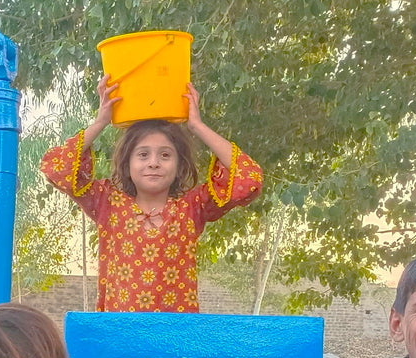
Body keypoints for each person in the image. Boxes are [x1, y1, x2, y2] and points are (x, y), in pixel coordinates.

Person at [40, 76, 263, 313]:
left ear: (179, 166)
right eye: (143, 155)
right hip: (120, 337)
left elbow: (249, 179)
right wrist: (101, 121)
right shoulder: (107, 203)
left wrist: (197, 126)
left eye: (165, 155)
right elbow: (56, 168)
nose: (154, 163)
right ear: (126, 164)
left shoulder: (192, 207)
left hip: (175, 340)